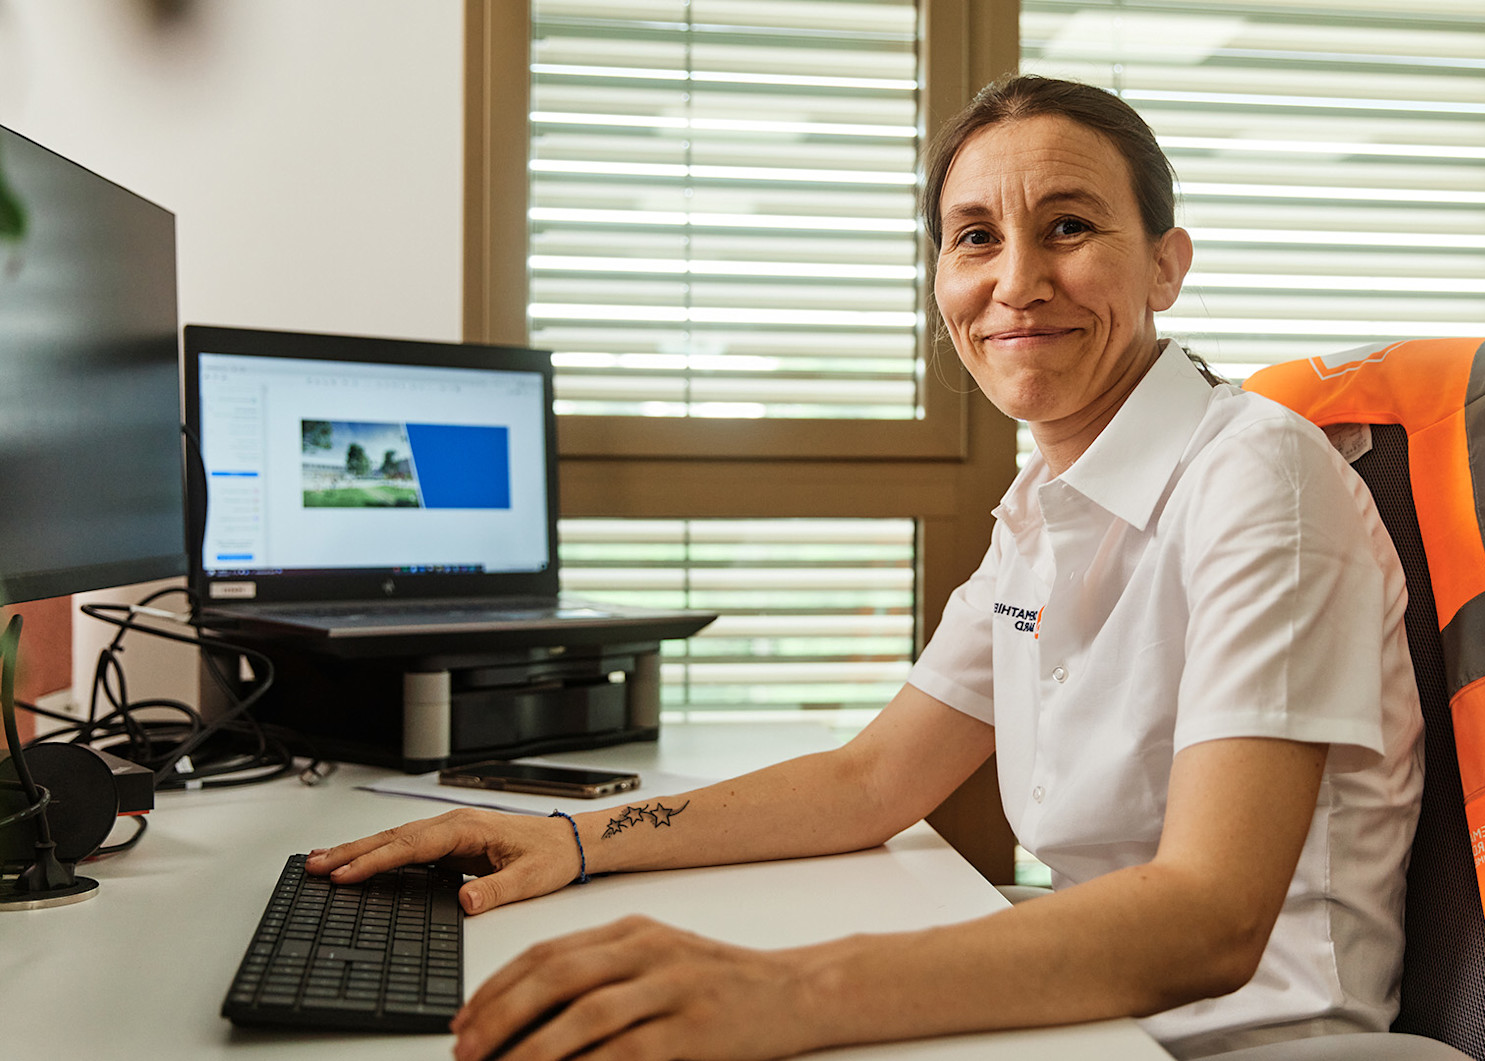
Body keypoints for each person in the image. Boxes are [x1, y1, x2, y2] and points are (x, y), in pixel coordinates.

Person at [306, 75, 1423, 1061]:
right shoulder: (1047, 504)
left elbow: (1208, 915)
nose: (1017, 281)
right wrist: (574, 838)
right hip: (1094, 1012)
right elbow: (869, 780)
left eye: (1069, 225)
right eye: (974, 236)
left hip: (1239, 1036)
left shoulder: (1255, 476)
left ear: (1166, 264)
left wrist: (788, 989)